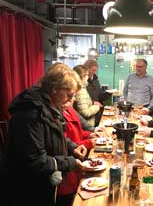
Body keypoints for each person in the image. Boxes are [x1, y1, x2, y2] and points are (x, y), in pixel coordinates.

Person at [5, 64, 92, 206]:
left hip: (44, 184)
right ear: (54, 88)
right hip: (29, 190)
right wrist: (70, 162)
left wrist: (73, 147)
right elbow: (35, 161)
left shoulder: (48, 105)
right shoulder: (30, 113)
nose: (71, 99)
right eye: (69, 94)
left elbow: (54, 134)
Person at [57, 97, 101, 205]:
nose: (75, 99)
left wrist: (90, 134)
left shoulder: (70, 110)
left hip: (76, 162)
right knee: (71, 198)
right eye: (71, 96)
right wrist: (89, 143)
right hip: (68, 165)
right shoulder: (58, 116)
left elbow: (79, 131)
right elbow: (67, 141)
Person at [84, 59, 111, 126]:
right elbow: (81, 99)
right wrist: (93, 102)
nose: (94, 72)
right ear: (87, 69)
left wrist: (108, 93)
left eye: (95, 70)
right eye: (93, 70)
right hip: (88, 112)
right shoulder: (83, 81)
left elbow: (100, 96)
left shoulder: (96, 79)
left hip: (97, 111)